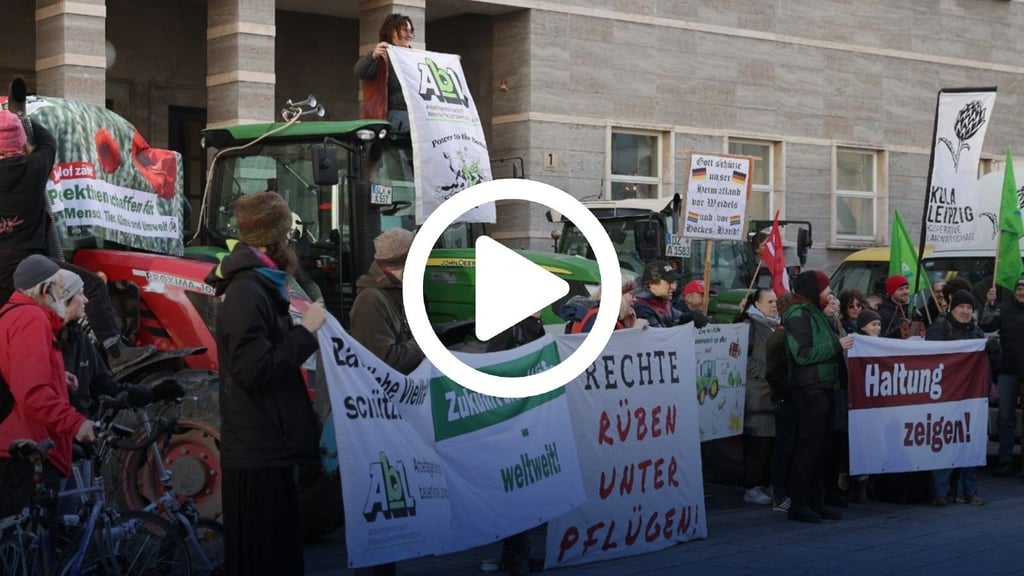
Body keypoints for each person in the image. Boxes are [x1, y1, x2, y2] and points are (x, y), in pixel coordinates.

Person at [206, 191, 327, 576]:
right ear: (273, 239)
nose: (291, 242)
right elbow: (253, 370)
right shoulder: (246, 291)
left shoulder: (258, 285)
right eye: (287, 235)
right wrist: (305, 333)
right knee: (266, 559)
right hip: (258, 451)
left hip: (267, 447)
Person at [0, 109, 153, 372]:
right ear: (20, 143)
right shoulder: (35, 168)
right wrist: (24, 118)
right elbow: (48, 141)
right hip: (28, 262)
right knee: (90, 285)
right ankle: (116, 353)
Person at [349, 227, 424, 576]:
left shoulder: (391, 294)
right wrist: (425, 344)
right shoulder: (372, 301)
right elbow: (384, 360)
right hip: (377, 418)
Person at [0, 255, 96, 518]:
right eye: (58, 288)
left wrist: (56, 374)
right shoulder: (33, 318)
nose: (62, 295)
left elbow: (12, 368)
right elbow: (32, 395)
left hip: (13, 449)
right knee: (38, 552)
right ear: (44, 290)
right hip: (29, 451)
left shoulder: (10, 314)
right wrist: (76, 424)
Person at [58, 269, 184, 418]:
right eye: (80, 294)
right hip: (56, 435)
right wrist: (77, 427)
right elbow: (39, 400)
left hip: (76, 432)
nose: (86, 300)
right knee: (96, 284)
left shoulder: (80, 341)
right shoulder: (42, 339)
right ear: (63, 298)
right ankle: (115, 351)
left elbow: (105, 387)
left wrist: (152, 393)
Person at [782, 269, 853, 523]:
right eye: (825, 288)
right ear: (813, 289)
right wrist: (836, 345)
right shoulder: (798, 314)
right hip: (809, 390)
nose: (828, 292)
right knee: (807, 449)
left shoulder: (814, 312)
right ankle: (800, 504)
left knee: (821, 449)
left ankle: (816, 500)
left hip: (824, 387)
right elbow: (802, 354)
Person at [926, 290, 991, 506]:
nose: (965, 311)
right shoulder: (940, 327)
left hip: (971, 396)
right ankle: (940, 492)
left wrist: (992, 350)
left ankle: (968, 491)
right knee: (944, 441)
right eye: (961, 307)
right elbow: (931, 356)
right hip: (945, 395)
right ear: (952, 308)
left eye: (969, 308)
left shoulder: (975, 331)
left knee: (970, 442)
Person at [736, 288, 778, 506]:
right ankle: (751, 486)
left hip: (771, 392)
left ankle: (764, 483)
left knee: (769, 441)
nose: (774, 305)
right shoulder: (750, 325)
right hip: (757, 392)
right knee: (757, 442)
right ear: (757, 304)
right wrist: (760, 372)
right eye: (769, 301)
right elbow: (739, 354)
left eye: (775, 301)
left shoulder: (773, 325)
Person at [980, 277, 1024, 476]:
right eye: (1019, 288)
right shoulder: (1004, 309)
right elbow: (986, 326)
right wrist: (990, 304)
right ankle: (1004, 459)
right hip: (1008, 370)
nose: (1022, 292)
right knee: (1005, 417)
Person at [353, 14, 416, 132]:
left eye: (411, 30)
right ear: (393, 32)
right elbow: (359, 71)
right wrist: (372, 56)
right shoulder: (381, 56)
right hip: (392, 114)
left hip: (414, 113)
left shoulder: (414, 57)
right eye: (405, 30)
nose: (410, 35)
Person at [764, 293, 796, 512]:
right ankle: (779, 494)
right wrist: (788, 393)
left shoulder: (788, 335)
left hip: (791, 397)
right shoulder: (779, 337)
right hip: (785, 399)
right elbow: (774, 372)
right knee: (783, 447)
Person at [560, 273, 647, 333]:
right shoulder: (596, 320)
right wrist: (634, 332)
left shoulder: (605, 317)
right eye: (631, 294)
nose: (635, 299)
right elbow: (610, 352)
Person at [633, 261, 685, 328]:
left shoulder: (663, 302)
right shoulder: (641, 307)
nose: (673, 287)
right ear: (651, 284)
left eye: (673, 282)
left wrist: (690, 317)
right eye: (668, 282)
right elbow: (660, 334)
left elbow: (678, 316)